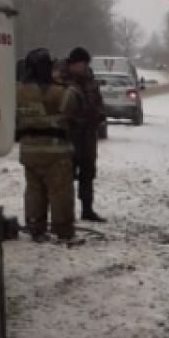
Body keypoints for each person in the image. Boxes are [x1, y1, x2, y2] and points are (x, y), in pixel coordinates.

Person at [15, 48, 80, 242]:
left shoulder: (19, 91)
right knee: (60, 193)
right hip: (55, 152)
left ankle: (36, 227)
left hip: (29, 151)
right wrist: (65, 81)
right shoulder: (59, 92)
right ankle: (63, 230)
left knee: (34, 191)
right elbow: (75, 104)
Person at [63, 46, 107, 222]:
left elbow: (98, 101)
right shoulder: (63, 81)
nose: (84, 68)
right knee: (66, 175)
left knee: (87, 173)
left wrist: (100, 114)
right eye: (82, 64)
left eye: (86, 64)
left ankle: (87, 209)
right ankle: (65, 212)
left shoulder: (90, 81)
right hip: (70, 136)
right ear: (74, 64)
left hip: (88, 135)